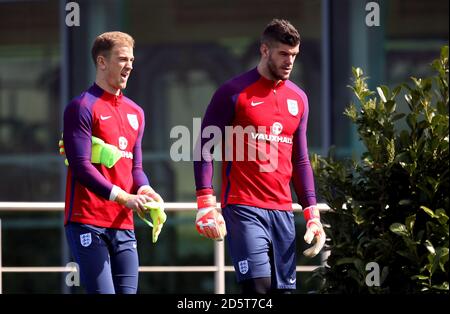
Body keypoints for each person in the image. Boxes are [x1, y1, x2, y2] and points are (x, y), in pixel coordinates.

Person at [193, 19, 325, 294]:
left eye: (294, 55)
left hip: (283, 211)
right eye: (283, 54)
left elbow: (300, 158)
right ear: (265, 50)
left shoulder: (299, 99)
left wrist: (311, 211)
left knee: (283, 292)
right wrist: (205, 201)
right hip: (243, 208)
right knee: (259, 289)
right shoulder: (232, 92)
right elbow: (204, 146)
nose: (289, 62)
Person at [63, 31, 163, 294]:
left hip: (123, 224)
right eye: (122, 59)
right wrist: (122, 197)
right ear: (102, 62)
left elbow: (136, 168)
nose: (129, 65)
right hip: (87, 220)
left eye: (131, 59)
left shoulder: (136, 112)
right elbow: (81, 167)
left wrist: (144, 190)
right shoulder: (81, 107)